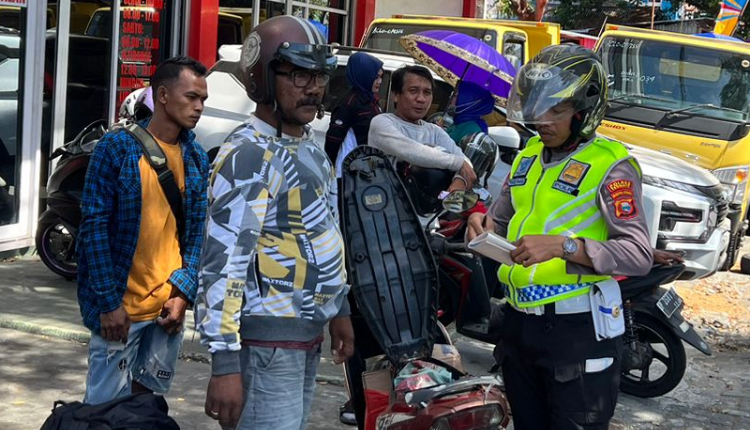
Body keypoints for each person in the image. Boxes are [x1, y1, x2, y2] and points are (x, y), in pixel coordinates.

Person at [466, 44, 653, 430]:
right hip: (519, 323)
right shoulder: (529, 154)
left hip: (577, 329)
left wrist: (563, 247)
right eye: (537, 107)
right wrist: (483, 223)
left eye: (557, 110)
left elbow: (637, 253)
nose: (543, 120)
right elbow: (501, 217)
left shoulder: (611, 165)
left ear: (584, 110)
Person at [194, 16, 354, 430]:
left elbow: (325, 232)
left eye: (319, 76)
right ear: (263, 78)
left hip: (306, 337)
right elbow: (223, 263)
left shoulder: (311, 150)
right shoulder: (249, 155)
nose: (314, 88)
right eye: (300, 75)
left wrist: (339, 309)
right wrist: (224, 362)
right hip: (265, 347)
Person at [77, 56, 210, 404]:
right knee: (103, 410)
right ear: (163, 95)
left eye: (202, 99)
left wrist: (183, 293)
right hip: (120, 311)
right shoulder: (116, 148)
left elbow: (197, 233)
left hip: (167, 309)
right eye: (191, 97)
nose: (198, 107)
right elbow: (93, 229)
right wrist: (108, 304)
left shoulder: (196, 156)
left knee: (147, 405)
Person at [368, 65, 477, 194]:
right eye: (413, 91)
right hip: (386, 202)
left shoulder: (435, 131)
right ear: (396, 95)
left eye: (427, 93)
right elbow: (410, 150)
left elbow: (464, 161)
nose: (421, 99)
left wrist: (461, 179)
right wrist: (457, 163)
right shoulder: (382, 123)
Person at [324, 51, 384, 175]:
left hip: (370, 166)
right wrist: (331, 170)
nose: (380, 81)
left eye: (381, 77)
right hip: (352, 170)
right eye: (376, 77)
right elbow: (333, 140)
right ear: (364, 75)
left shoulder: (372, 101)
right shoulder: (349, 103)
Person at [445, 80, 495, 144]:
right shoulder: (459, 122)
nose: (450, 97)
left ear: (466, 99)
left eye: (455, 95)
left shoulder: (472, 131)